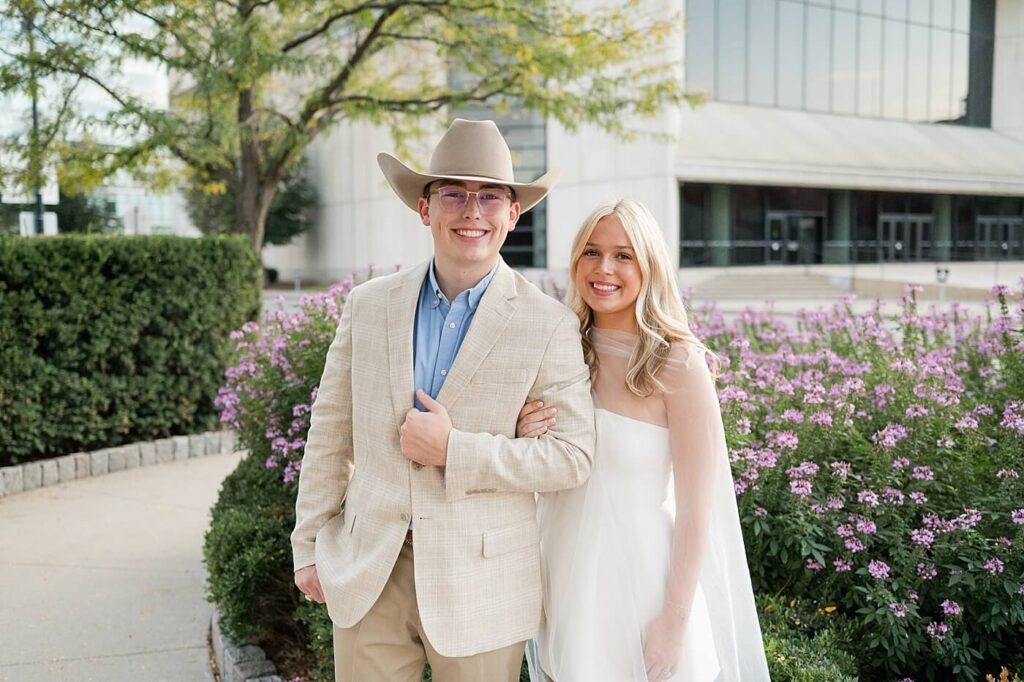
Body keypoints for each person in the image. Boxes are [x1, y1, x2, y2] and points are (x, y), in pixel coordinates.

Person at [290, 118, 596, 682]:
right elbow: (329, 430)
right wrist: (307, 544)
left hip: (482, 585)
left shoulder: (547, 324)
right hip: (369, 570)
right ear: (425, 209)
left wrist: (456, 449)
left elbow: (572, 456)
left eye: (489, 197)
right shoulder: (367, 306)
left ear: (513, 214)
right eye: (452, 193)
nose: (471, 211)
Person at [520, 199, 770, 681]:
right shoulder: (558, 349)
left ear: (649, 265)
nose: (604, 269)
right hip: (565, 582)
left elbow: (699, 513)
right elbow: (536, 469)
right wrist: (522, 434)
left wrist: (672, 624)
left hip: (643, 594)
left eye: (623, 255)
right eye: (591, 252)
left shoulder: (679, 365)